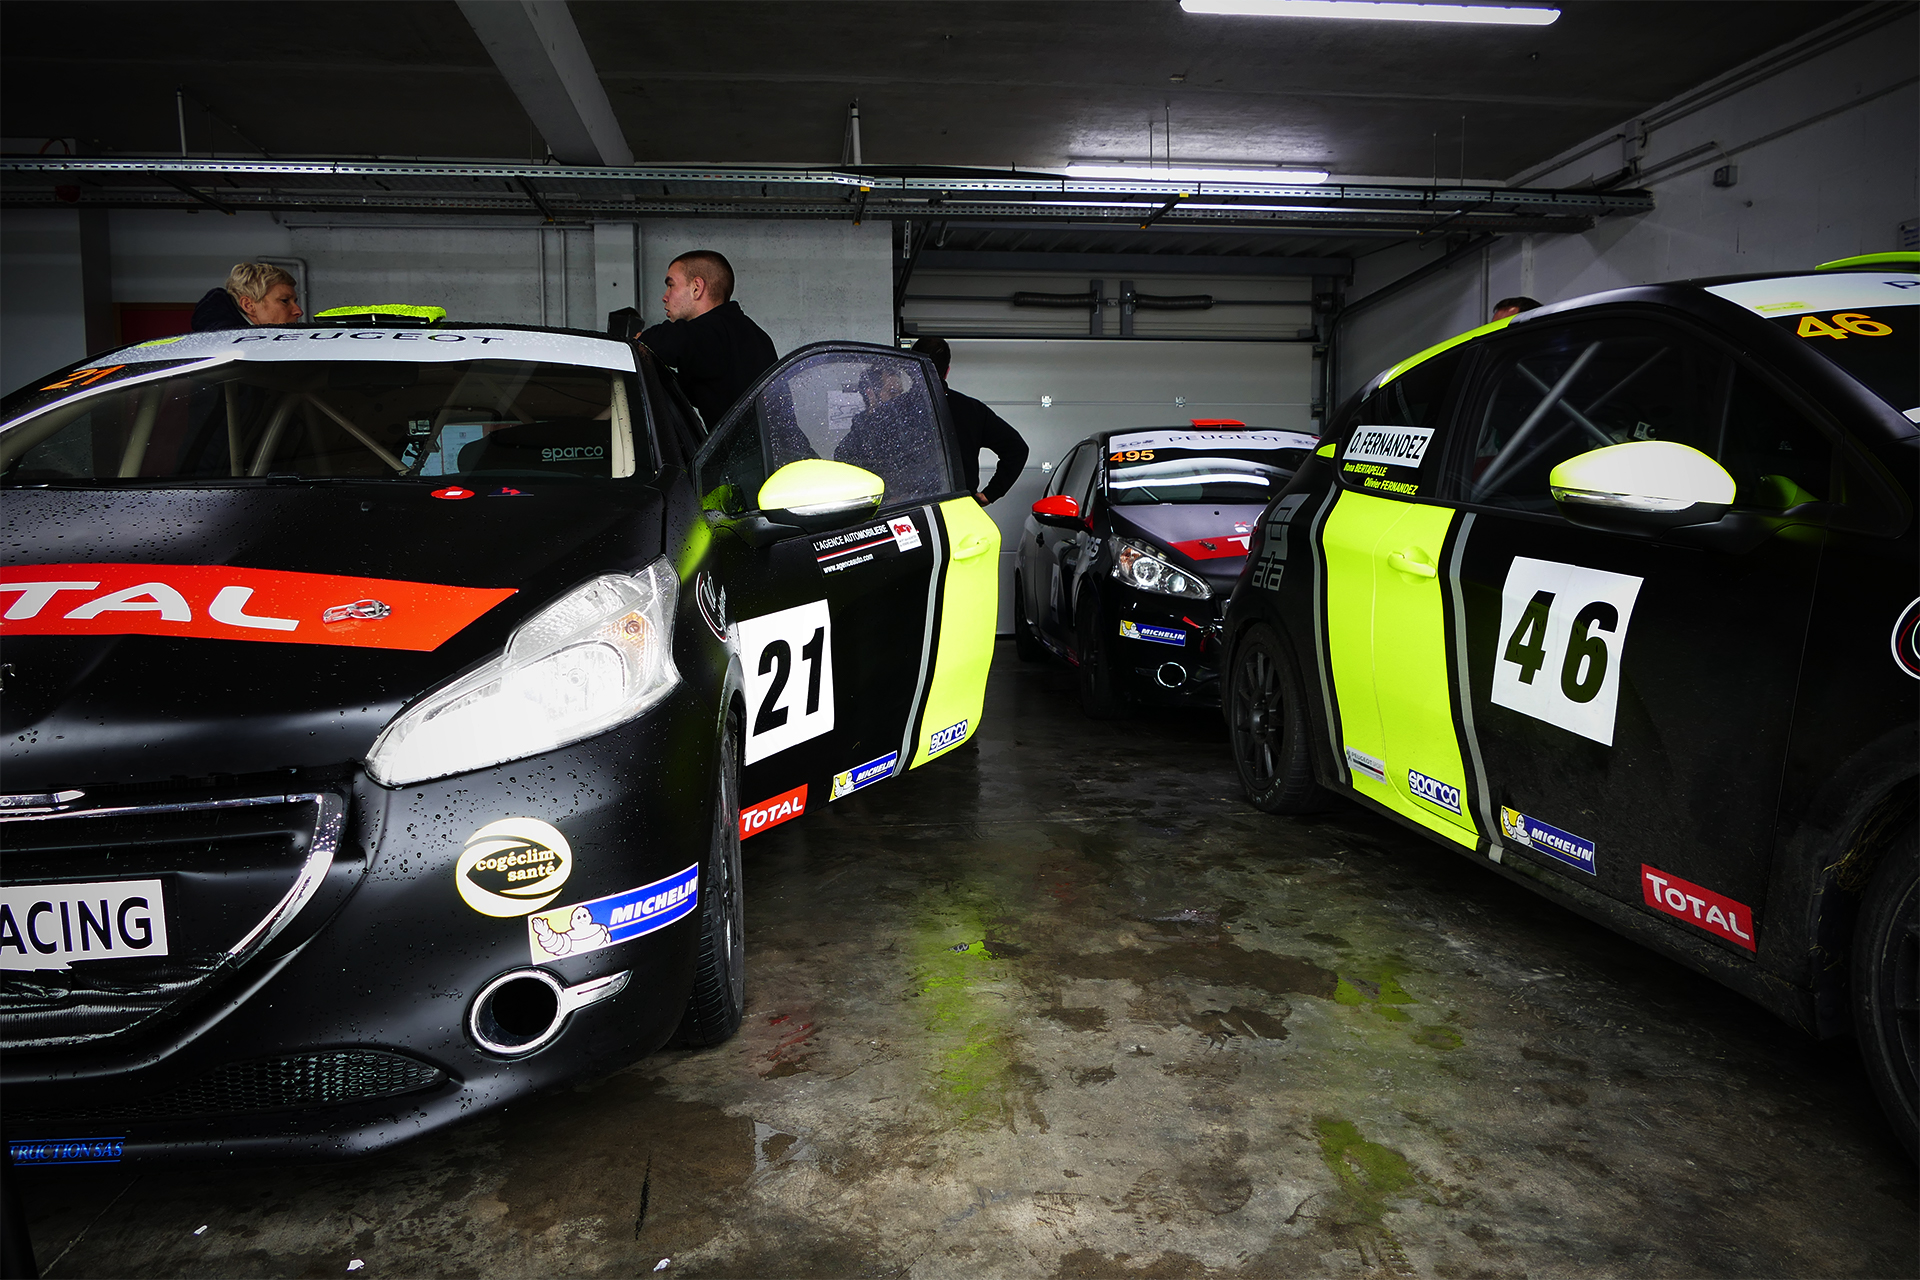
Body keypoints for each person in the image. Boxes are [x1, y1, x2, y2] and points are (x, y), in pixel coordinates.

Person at [633, 250, 778, 429]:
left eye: (671, 285)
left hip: (757, 456)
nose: (665, 297)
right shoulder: (752, 335)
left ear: (696, 288)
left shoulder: (713, 332)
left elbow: (665, 340)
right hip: (781, 454)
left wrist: (638, 341)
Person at [911, 336, 1029, 505]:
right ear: (947, 371)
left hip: (904, 512)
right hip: (959, 509)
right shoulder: (971, 409)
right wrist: (991, 493)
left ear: (910, 369)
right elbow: (1017, 448)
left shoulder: (895, 411)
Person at [192, 262, 302, 331]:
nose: (298, 311)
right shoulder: (228, 349)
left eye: (294, 301)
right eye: (285, 301)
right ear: (248, 305)